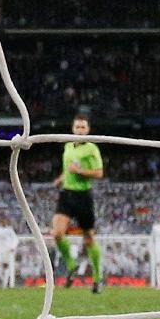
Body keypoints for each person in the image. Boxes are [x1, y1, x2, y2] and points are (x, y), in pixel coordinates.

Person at [51, 113, 104, 293]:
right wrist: (61, 178)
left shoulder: (92, 149)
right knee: (57, 233)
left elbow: (99, 173)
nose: (79, 130)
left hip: (83, 196)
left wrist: (80, 171)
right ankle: (71, 266)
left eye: (83, 127)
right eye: (77, 127)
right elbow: (69, 169)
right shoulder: (67, 146)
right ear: (72, 129)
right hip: (67, 194)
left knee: (88, 238)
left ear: (88, 130)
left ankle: (98, 278)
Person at [0, 218, 19, 289]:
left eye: (5, 221)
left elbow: (15, 238)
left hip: (8, 249)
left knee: (6, 265)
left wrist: (13, 247)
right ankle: (2, 279)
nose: (3, 222)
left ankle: (5, 284)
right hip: (0, 248)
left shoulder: (10, 230)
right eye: (2, 221)